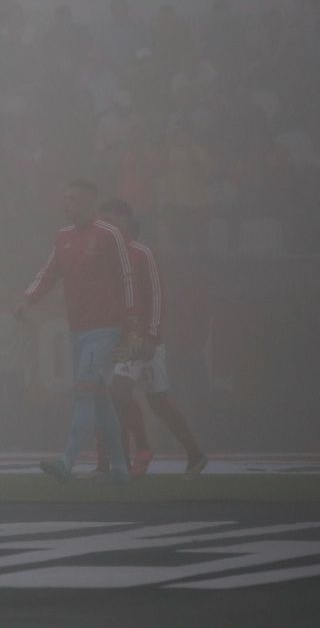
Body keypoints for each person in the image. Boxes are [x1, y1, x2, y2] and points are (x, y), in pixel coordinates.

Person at [16, 179, 134, 484]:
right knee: (99, 400)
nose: (67, 204)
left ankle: (66, 461)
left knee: (83, 392)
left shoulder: (110, 235)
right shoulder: (63, 236)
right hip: (78, 329)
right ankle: (120, 468)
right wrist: (27, 298)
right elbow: (49, 272)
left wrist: (130, 329)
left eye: (73, 199)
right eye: (65, 198)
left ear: (90, 203)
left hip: (104, 329)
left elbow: (127, 281)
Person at [97, 198, 209, 478]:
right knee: (154, 400)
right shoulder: (106, 256)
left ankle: (132, 456)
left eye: (110, 219)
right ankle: (192, 454)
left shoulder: (141, 253)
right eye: (103, 221)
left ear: (125, 219)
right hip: (121, 338)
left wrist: (151, 335)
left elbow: (157, 295)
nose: (106, 226)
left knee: (121, 391)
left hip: (141, 338)